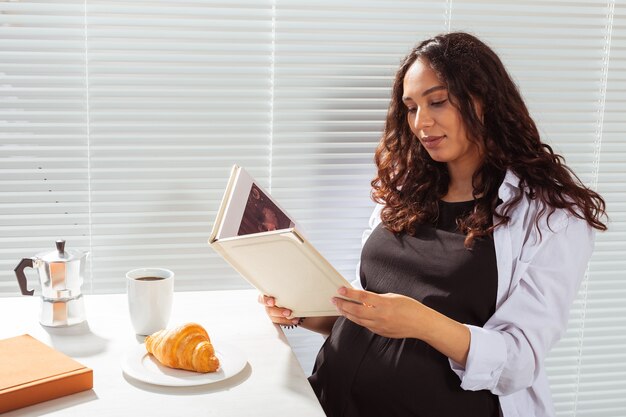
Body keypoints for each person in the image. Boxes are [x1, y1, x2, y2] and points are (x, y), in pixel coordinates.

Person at [259, 32, 607, 417]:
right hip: (329, 400)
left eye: (437, 102)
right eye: (411, 108)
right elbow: (375, 316)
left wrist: (423, 323)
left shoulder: (551, 214)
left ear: (484, 100)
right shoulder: (406, 187)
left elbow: (519, 361)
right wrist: (305, 311)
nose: (421, 123)